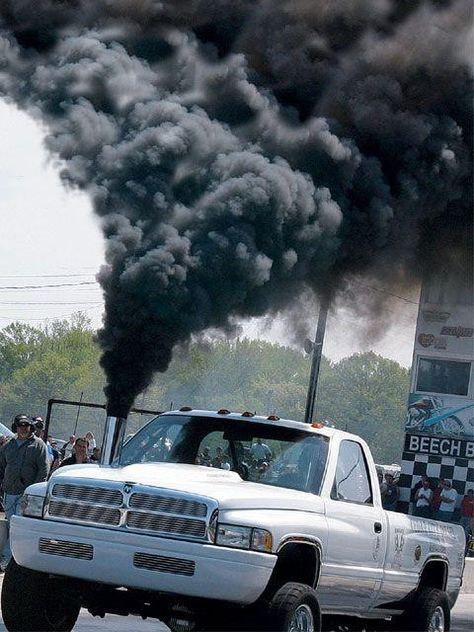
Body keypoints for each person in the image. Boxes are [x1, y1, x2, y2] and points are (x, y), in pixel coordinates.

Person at [0, 414, 49, 570]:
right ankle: (9, 558)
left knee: (16, 526)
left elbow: (43, 470)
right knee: (9, 525)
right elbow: (1, 466)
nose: (23, 428)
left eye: (26, 425)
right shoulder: (9, 445)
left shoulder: (38, 445)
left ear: (31, 427)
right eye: (20, 425)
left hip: (26, 495)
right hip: (9, 492)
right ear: (15, 427)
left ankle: (9, 560)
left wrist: (33, 492)